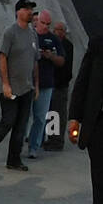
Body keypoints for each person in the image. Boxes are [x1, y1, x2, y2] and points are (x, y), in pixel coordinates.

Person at [0, 0, 39, 172]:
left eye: (31, 9)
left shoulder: (32, 34)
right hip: (10, 88)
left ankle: (13, 160)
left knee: (21, 126)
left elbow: (36, 61)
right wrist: (5, 84)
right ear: (18, 12)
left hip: (27, 88)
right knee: (8, 121)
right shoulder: (10, 33)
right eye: (27, 9)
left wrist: (37, 84)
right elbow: (2, 57)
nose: (30, 12)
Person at [68, 34, 103, 204]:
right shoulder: (99, 42)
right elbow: (83, 80)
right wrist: (74, 118)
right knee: (101, 185)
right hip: (100, 125)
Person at [26, 10, 63, 159]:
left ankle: (34, 146)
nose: (45, 27)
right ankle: (18, 144)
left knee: (40, 118)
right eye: (43, 23)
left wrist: (50, 56)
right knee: (22, 117)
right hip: (27, 82)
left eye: (48, 24)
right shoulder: (29, 35)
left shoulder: (53, 39)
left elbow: (62, 61)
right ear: (36, 21)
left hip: (46, 84)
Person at [45, 22, 75, 151]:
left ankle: (57, 141)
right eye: (56, 30)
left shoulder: (67, 45)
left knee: (58, 114)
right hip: (52, 84)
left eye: (61, 30)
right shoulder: (52, 43)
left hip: (60, 85)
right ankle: (51, 139)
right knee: (51, 114)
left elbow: (65, 66)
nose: (58, 32)